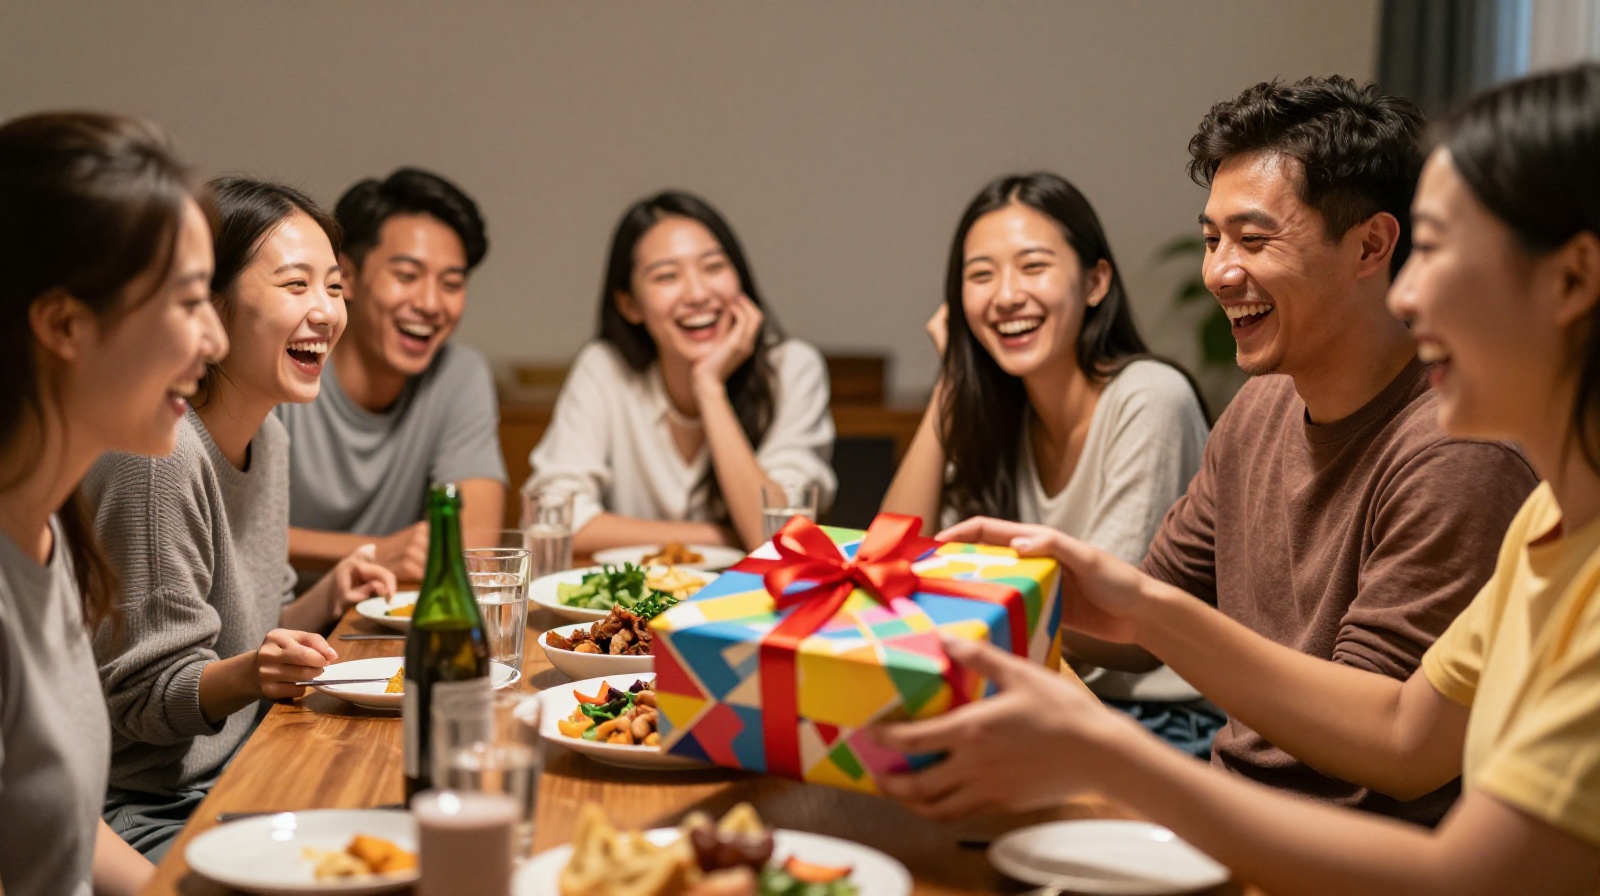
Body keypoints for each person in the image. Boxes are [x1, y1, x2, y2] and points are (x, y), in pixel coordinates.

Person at [879, 62, 1600, 894]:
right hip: (1241, 829)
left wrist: (1110, 750)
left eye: (1437, 249)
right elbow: (1409, 726)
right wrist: (1119, 599)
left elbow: (1438, 839)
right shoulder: (1547, 516)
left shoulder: (1470, 461)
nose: (1415, 290)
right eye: (1214, 238)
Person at [85, 177, 395, 860]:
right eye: (295, 286)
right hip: (147, 810)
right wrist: (255, 673)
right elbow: (143, 697)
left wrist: (326, 595)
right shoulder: (156, 458)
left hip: (243, 773)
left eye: (335, 287)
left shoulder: (271, 435)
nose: (327, 311)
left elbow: (249, 630)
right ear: (211, 306)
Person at [880, 172, 1217, 755]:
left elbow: (1123, 630)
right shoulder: (1001, 417)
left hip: (1155, 722)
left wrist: (958, 599)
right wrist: (954, 382)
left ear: (1095, 282)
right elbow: (889, 556)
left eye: (1033, 266)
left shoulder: (1149, 397)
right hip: (1038, 701)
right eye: (981, 275)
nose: (1006, 294)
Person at [0, 111, 227, 896]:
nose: (215, 342)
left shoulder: (48, 528)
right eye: (190, 303)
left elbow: (50, 832)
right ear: (64, 322)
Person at [527, 190, 836, 553]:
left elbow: (778, 539)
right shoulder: (604, 369)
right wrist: (718, 536)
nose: (697, 293)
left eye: (714, 267)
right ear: (629, 304)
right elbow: (551, 521)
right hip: (637, 606)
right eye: (667, 276)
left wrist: (709, 388)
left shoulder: (792, 369)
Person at [277, 168, 506, 582]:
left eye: (452, 283)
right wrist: (372, 552)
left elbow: (474, 541)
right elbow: (228, 530)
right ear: (344, 275)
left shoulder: (459, 375)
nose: (431, 303)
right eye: (406, 276)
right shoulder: (284, 366)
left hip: (388, 619)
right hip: (279, 629)